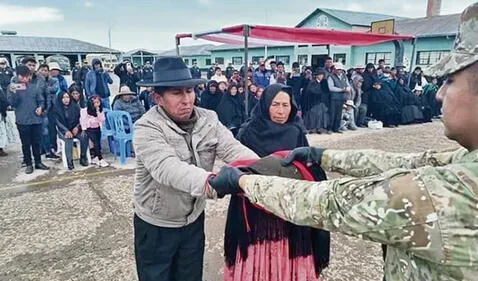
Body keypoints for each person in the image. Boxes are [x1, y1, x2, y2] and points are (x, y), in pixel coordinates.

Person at [208, 5, 478, 281]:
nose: (440, 94)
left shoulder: (448, 189)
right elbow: (407, 162)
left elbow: (328, 201)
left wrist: (243, 182)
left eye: (451, 80)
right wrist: (323, 155)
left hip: (283, 205)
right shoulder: (462, 163)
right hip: (257, 213)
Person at [133, 56, 258, 281]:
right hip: (156, 225)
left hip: (193, 220)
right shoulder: (147, 128)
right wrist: (214, 182)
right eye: (176, 93)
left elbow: (234, 150)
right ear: (157, 97)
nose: (186, 100)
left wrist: (267, 170)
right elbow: (167, 168)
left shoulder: (208, 119)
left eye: (189, 91)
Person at [226, 83, 329, 281]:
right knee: (259, 251)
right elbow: (241, 167)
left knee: (289, 247)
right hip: (257, 207)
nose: (281, 111)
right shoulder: (249, 132)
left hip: (289, 206)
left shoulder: (296, 131)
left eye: (285, 105)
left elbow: (306, 165)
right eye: (275, 105)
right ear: (265, 104)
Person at [7, 65, 49, 174]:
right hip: (22, 120)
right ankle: (29, 164)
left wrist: (40, 107)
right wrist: (14, 92)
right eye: (23, 77)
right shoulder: (12, 87)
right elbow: (12, 103)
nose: (25, 79)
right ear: (17, 76)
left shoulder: (33, 87)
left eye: (27, 77)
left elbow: (41, 100)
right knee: (26, 143)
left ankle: (38, 162)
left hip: (36, 119)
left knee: (37, 142)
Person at [54, 92, 88, 170]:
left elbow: (81, 119)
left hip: (74, 129)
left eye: (67, 97)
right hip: (63, 130)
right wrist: (66, 131)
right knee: (69, 139)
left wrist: (77, 127)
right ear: (60, 99)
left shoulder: (75, 106)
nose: (66, 100)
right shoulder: (57, 108)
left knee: (84, 136)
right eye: (64, 98)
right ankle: (70, 161)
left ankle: (83, 157)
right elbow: (57, 122)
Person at [36, 63, 60, 158]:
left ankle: (52, 147)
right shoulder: (35, 80)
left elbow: (54, 89)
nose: (43, 72)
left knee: (51, 129)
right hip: (39, 108)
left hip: (51, 107)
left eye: (46, 70)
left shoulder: (53, 80)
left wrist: (43, 88)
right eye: (42, 70)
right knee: (41, 130)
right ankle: (42, 148)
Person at [80, 95, 109, 167]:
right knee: (96, 143)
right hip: (89, 129)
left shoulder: (100, 110)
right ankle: (100, 158)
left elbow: (101, 119)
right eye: (94, 103)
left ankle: (96, 157)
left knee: (98, 143)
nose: (96, 104)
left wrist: (98, 111)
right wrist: (84, 129)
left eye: (98, 102)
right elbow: (82, 120)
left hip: (97, 128)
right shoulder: (85, 111)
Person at [301, 68, 330, 134]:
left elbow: (326, 92)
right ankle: (312, 128)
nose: (321, 76)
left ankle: (320, 127)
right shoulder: (312, 82)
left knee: (321, 114)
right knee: (314, 114)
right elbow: (311, 91)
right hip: (313, 101)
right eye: (320, 75)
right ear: (316, 75)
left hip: (321, 101)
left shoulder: (323, 82)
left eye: (322, 75)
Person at [327, 62, 351, 133]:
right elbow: (331, 88)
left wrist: (348, 88)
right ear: (334, 69)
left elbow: (348, 84)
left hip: (341, 97)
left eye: (340, 69)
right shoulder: (330, 76)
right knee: (332, 113)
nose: (339, 71)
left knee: (339, 114)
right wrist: (342, 90)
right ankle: (330, 128)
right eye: (337, 69)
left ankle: (336, 128)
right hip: (333, 98)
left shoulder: (344, 76)